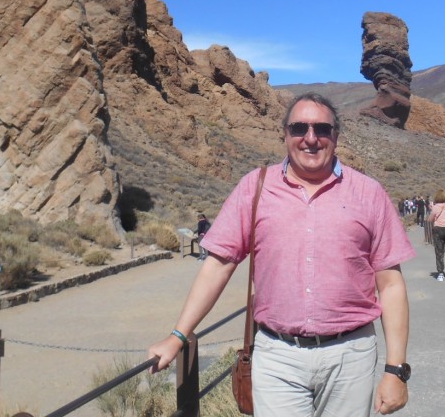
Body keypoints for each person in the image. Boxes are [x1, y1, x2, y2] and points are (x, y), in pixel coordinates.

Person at [148, 92, 415, 416]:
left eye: (322, 129)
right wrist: (178, 336)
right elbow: (218, 265)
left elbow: (391, 284)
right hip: (277, 356)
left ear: (336, 136)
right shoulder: (255, 188)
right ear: (285, 134)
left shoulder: (368, 193)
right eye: (299, 128)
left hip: (351, 356)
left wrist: (396, 370)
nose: (311, 138)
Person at [429, 190, 445, 281]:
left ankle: (440, 274)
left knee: (439, 252)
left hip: (438, 230)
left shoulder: (435, 207)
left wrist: (432, 209)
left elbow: (430, 219)